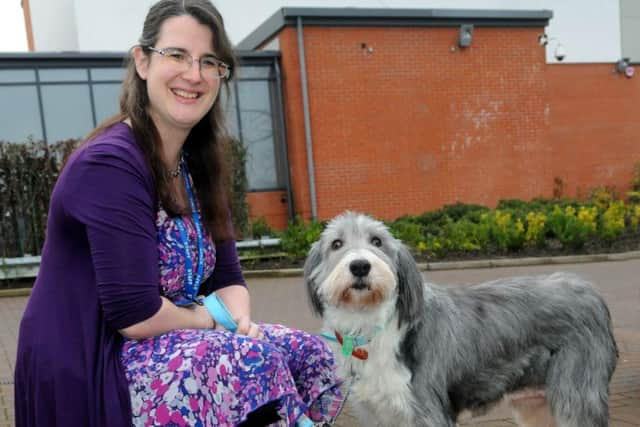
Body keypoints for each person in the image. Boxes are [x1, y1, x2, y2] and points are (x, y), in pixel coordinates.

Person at [14, 1, 344, 426]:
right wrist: (209, 320)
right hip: (93, 357)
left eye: (210, 61)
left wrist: (237, 322)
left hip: (168, 342)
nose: (194, 74)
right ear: (143, 61)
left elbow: (228, 280)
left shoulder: (197, 163)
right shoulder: (111, 163)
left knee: (311, 352)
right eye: (177, 55)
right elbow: (135, 314)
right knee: (251, 364)